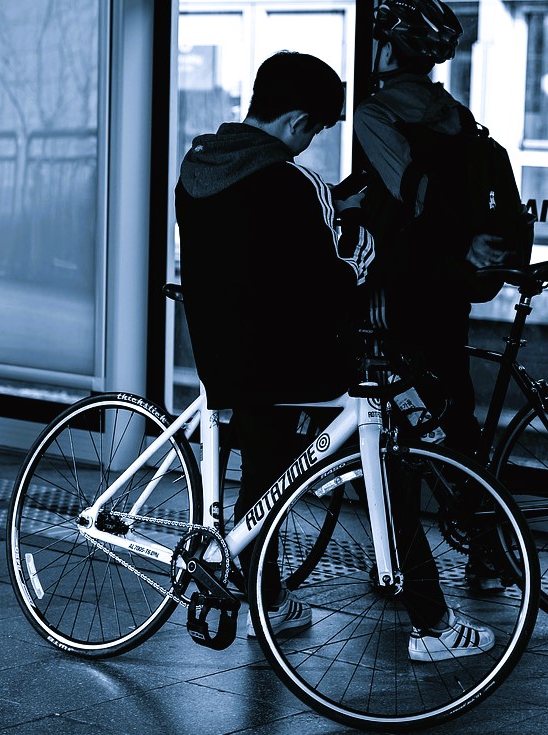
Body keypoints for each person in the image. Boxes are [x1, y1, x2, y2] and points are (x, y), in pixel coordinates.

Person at [176, 50, 491, 660]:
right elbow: (340, 276)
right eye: (315, 129)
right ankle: (432, 624)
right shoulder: (293, 183)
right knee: (387, 458)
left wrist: (321, 220)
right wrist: (358, 236)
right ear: (298, 121)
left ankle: (266, 600)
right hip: (296, 364)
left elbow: (255, 253)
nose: (311, 141)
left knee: (265, 473)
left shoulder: (198, 166)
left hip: (225, 361)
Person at [354, 0, 510, 593]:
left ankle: (399, 562)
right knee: (453, 410)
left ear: (391, 49)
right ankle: (488, 549)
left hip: (405, 285)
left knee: (397, 420)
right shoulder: (451, 112)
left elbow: (411, 196)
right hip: (450, 286)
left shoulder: (376, 113)